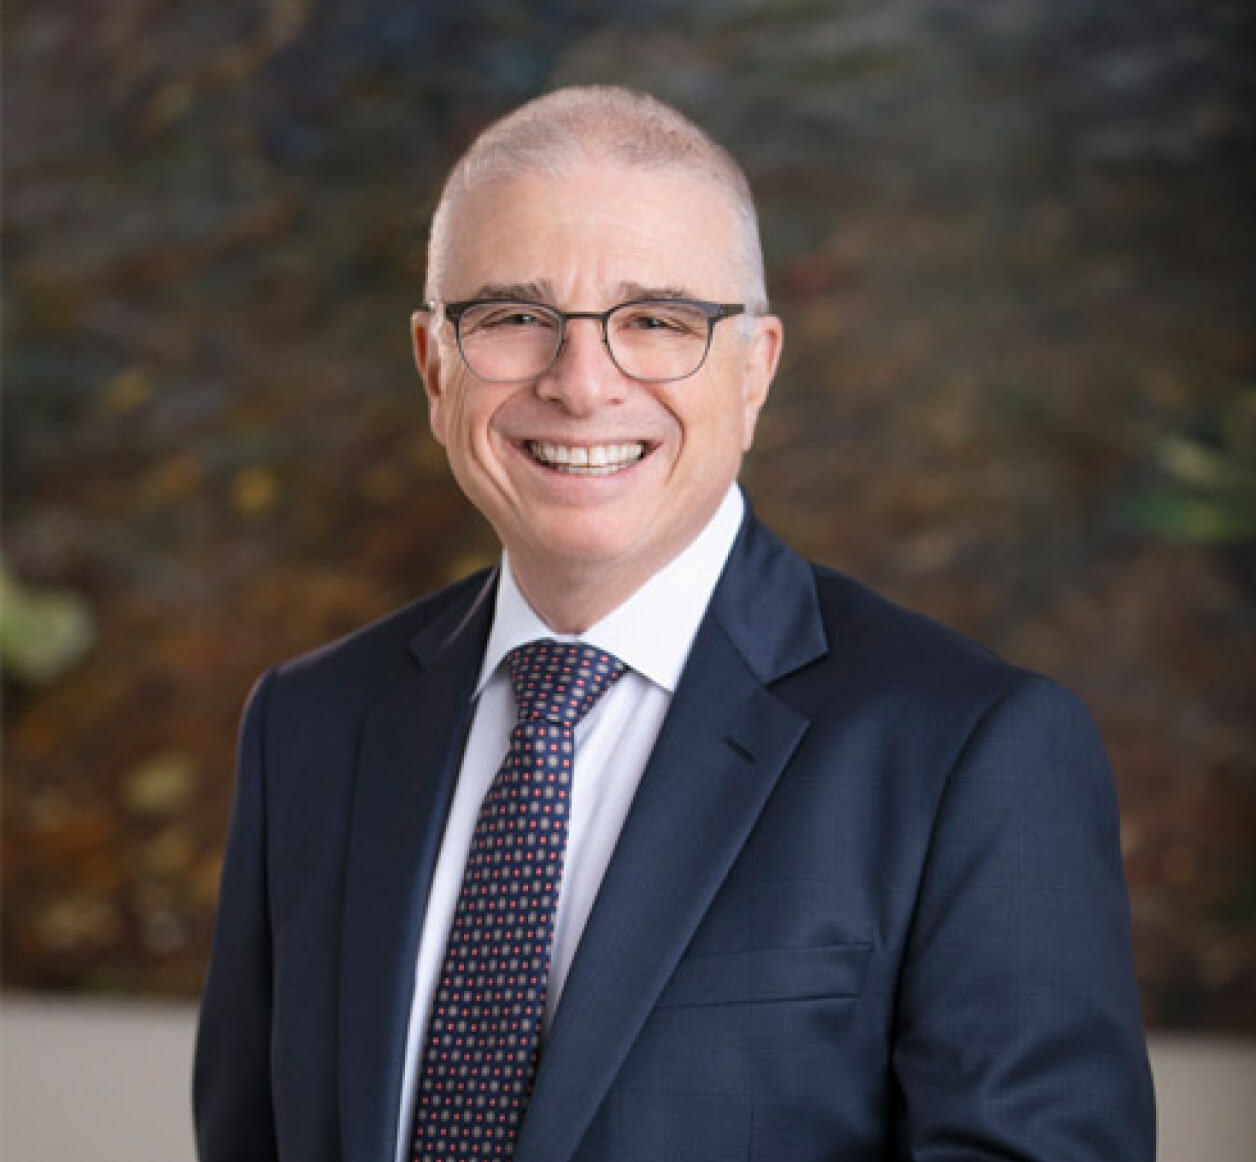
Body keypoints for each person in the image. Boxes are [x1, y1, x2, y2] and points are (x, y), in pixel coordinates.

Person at [193, 85, 1156, 1162]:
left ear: (755, 368)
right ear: (433, 365)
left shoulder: (970, 748)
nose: (582, 382)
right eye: (514, 318)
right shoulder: (311, 724)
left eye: (656, 320)